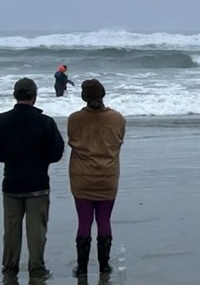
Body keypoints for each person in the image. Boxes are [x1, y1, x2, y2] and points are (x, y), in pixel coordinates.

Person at [0, 78, 64, 280]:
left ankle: (10, 269)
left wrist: (9, 157)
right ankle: (37, 269)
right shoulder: (45, 122)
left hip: (11, 181)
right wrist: (40, 160)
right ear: (34, 97)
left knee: (11, 229)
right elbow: (57, 152)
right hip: (38, 182)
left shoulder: (2, 120)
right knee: (36, 230)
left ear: (15, 95)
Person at [67, 79, 126, 276]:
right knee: (104, 220)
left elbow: (72, 141)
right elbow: (119, 142)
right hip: (107, 176)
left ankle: (82, 267)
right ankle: (104, 265)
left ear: (84, 97)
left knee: (84, 221)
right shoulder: (117, 118)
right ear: (103, 95)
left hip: (82, 177)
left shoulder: (74, 119)